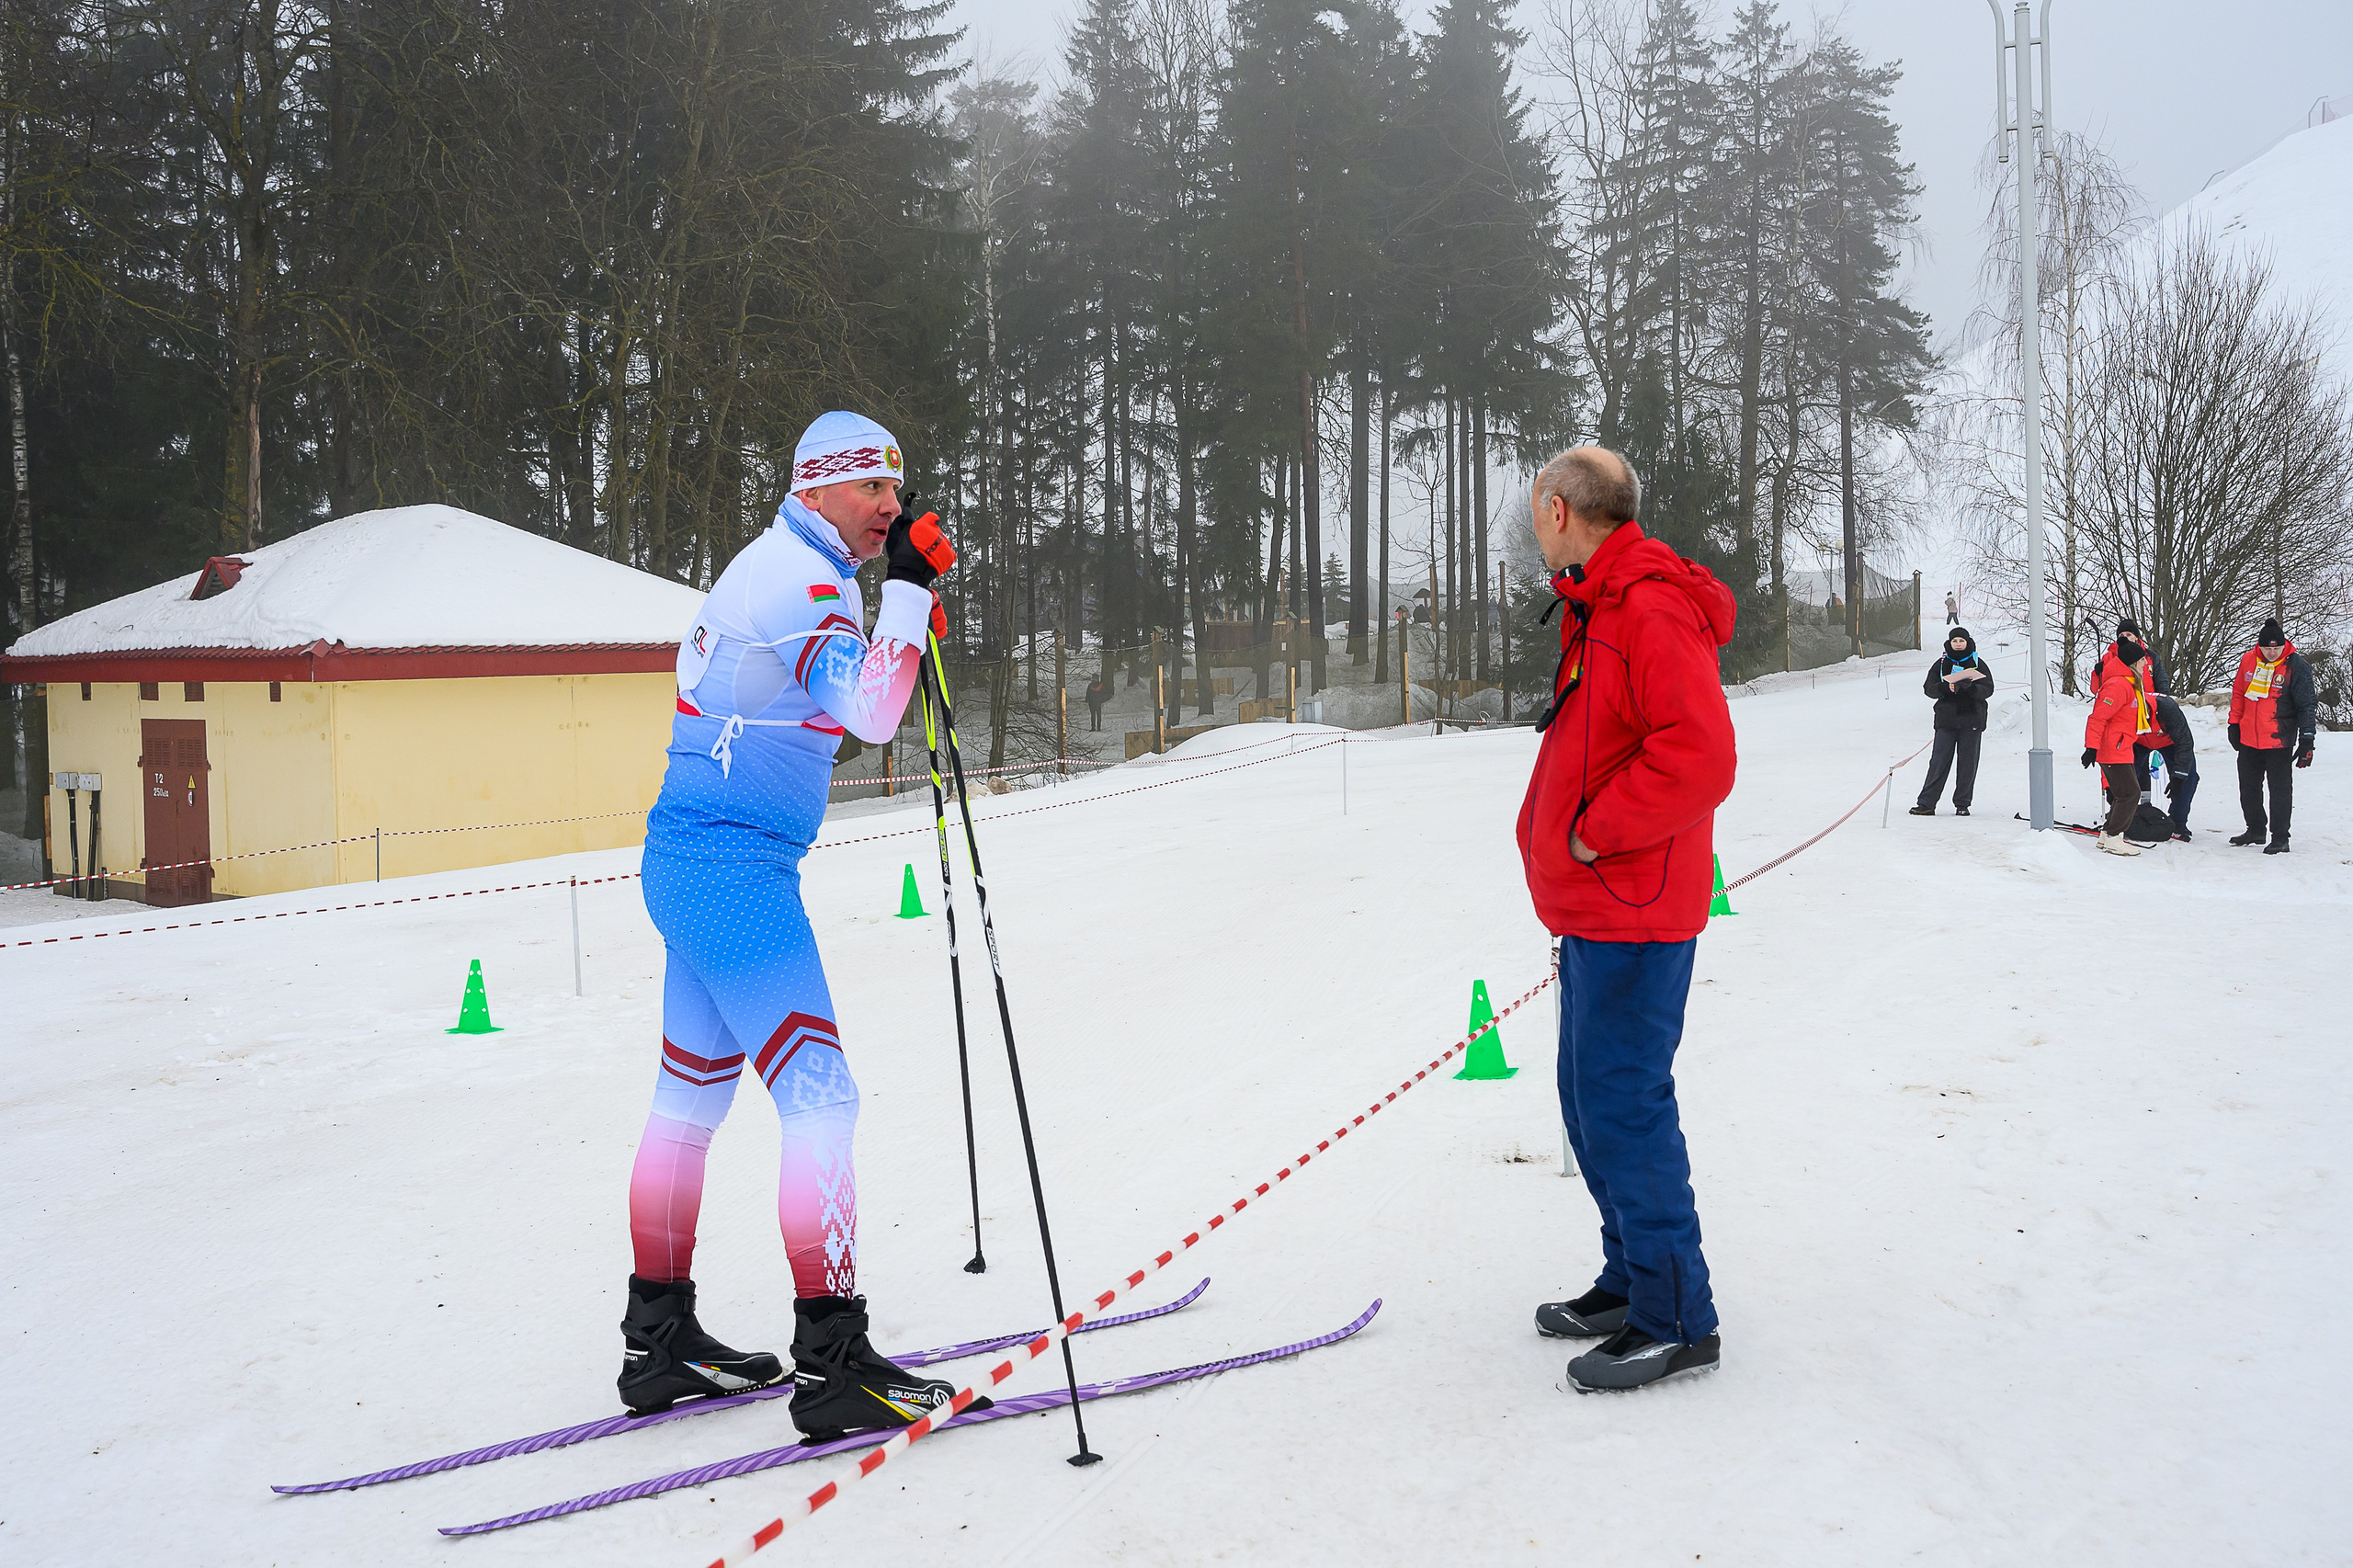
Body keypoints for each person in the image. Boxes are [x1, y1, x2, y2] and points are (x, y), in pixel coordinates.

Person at [620, 410, 975, 1442]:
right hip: (732, 874)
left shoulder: (789, 566)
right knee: (821, 1096)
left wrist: (901, 630)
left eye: (896, 491)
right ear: (818, 486)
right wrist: (905, 600)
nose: (891, 509)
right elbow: (870, 719)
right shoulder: (808, 582)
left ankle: (660, 1338)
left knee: (686, 1103)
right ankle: (833, 1360)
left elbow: (839, 710)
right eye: (873, 488)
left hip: (696, 862)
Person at [1518, 446, 1736, 1394]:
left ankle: (1677, 1317)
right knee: (1586, 1100)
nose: (1532, 522)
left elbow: (1699, 755)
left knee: (1623, 1104)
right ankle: (1628, 1278)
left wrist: (1593, 833)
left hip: (1633, 905)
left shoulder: (1644, 604)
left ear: (1560, 508)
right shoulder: (1600, 599)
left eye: (1534, 506)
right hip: (1599, 906)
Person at [2227, 618, 2316, 855]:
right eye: (2267, 648)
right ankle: (2255, 829)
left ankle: (2280, 837)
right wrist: (2233, 724)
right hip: (2248, 738)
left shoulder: (2296, 666)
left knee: (2280, 790)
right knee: (2248, 787)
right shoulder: (2248, 660)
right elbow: (2238, 694)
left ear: (2283, 645)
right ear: (2260, 646)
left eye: (2276, 648)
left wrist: (2307, 739)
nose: (2272, 652)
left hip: (2279, 739)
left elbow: (2307, 705)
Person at [2080, 626, 2160, 857]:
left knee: (2122, 793)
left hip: (2122, 746)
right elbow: (2097, 717)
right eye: (2143, 661)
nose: (2146, 665)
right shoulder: (2118, 685)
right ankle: (2115, 836)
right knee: (2130, 794)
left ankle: (2107, 835)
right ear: (2133, 663)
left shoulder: (2130, 684)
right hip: (2113, 748)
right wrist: (2091, 748)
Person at [1908, 626, 1994, 817]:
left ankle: (1962, 804)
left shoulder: (1978, 663)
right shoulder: (1941, 664)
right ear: (1950, 643)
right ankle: (1927, 804)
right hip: (1946, 721)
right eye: (1955, 641)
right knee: (1938, 762)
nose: (1958, 644)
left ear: (1967, 642)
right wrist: (1945, 687)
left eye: (1961, 641)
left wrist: (1971, 688)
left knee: (1967, 764)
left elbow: (1988, 688)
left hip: (1971, 720)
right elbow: (1929, 689)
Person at [2140, 692, 2198, 843]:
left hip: (2168, 742)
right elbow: (2112, 749)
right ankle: (2124, 817)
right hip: (2138, 743)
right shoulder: (2125, 707)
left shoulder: (2168, 708)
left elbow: (2185, 743)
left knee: (2189, 778)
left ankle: (2178, 822)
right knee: (2125, 777)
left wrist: (2179, 777)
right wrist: (2110, 785)